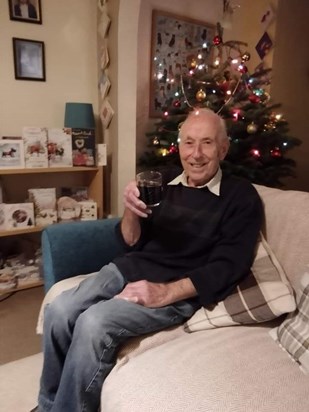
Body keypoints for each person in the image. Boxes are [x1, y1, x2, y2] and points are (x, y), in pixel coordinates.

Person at [32, 108, 263, 412]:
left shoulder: (240, 197)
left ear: (223, 148)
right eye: (188, 143)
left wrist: (165, 292)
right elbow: (130, 241)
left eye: (206, 143)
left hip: (172, 289)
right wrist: (130, 207)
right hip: (126, 268)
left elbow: (229, 265)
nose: (196, 154)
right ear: (178, 147)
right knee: (59, 308)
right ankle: (48, 405)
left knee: (93, 322)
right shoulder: (161, 180)